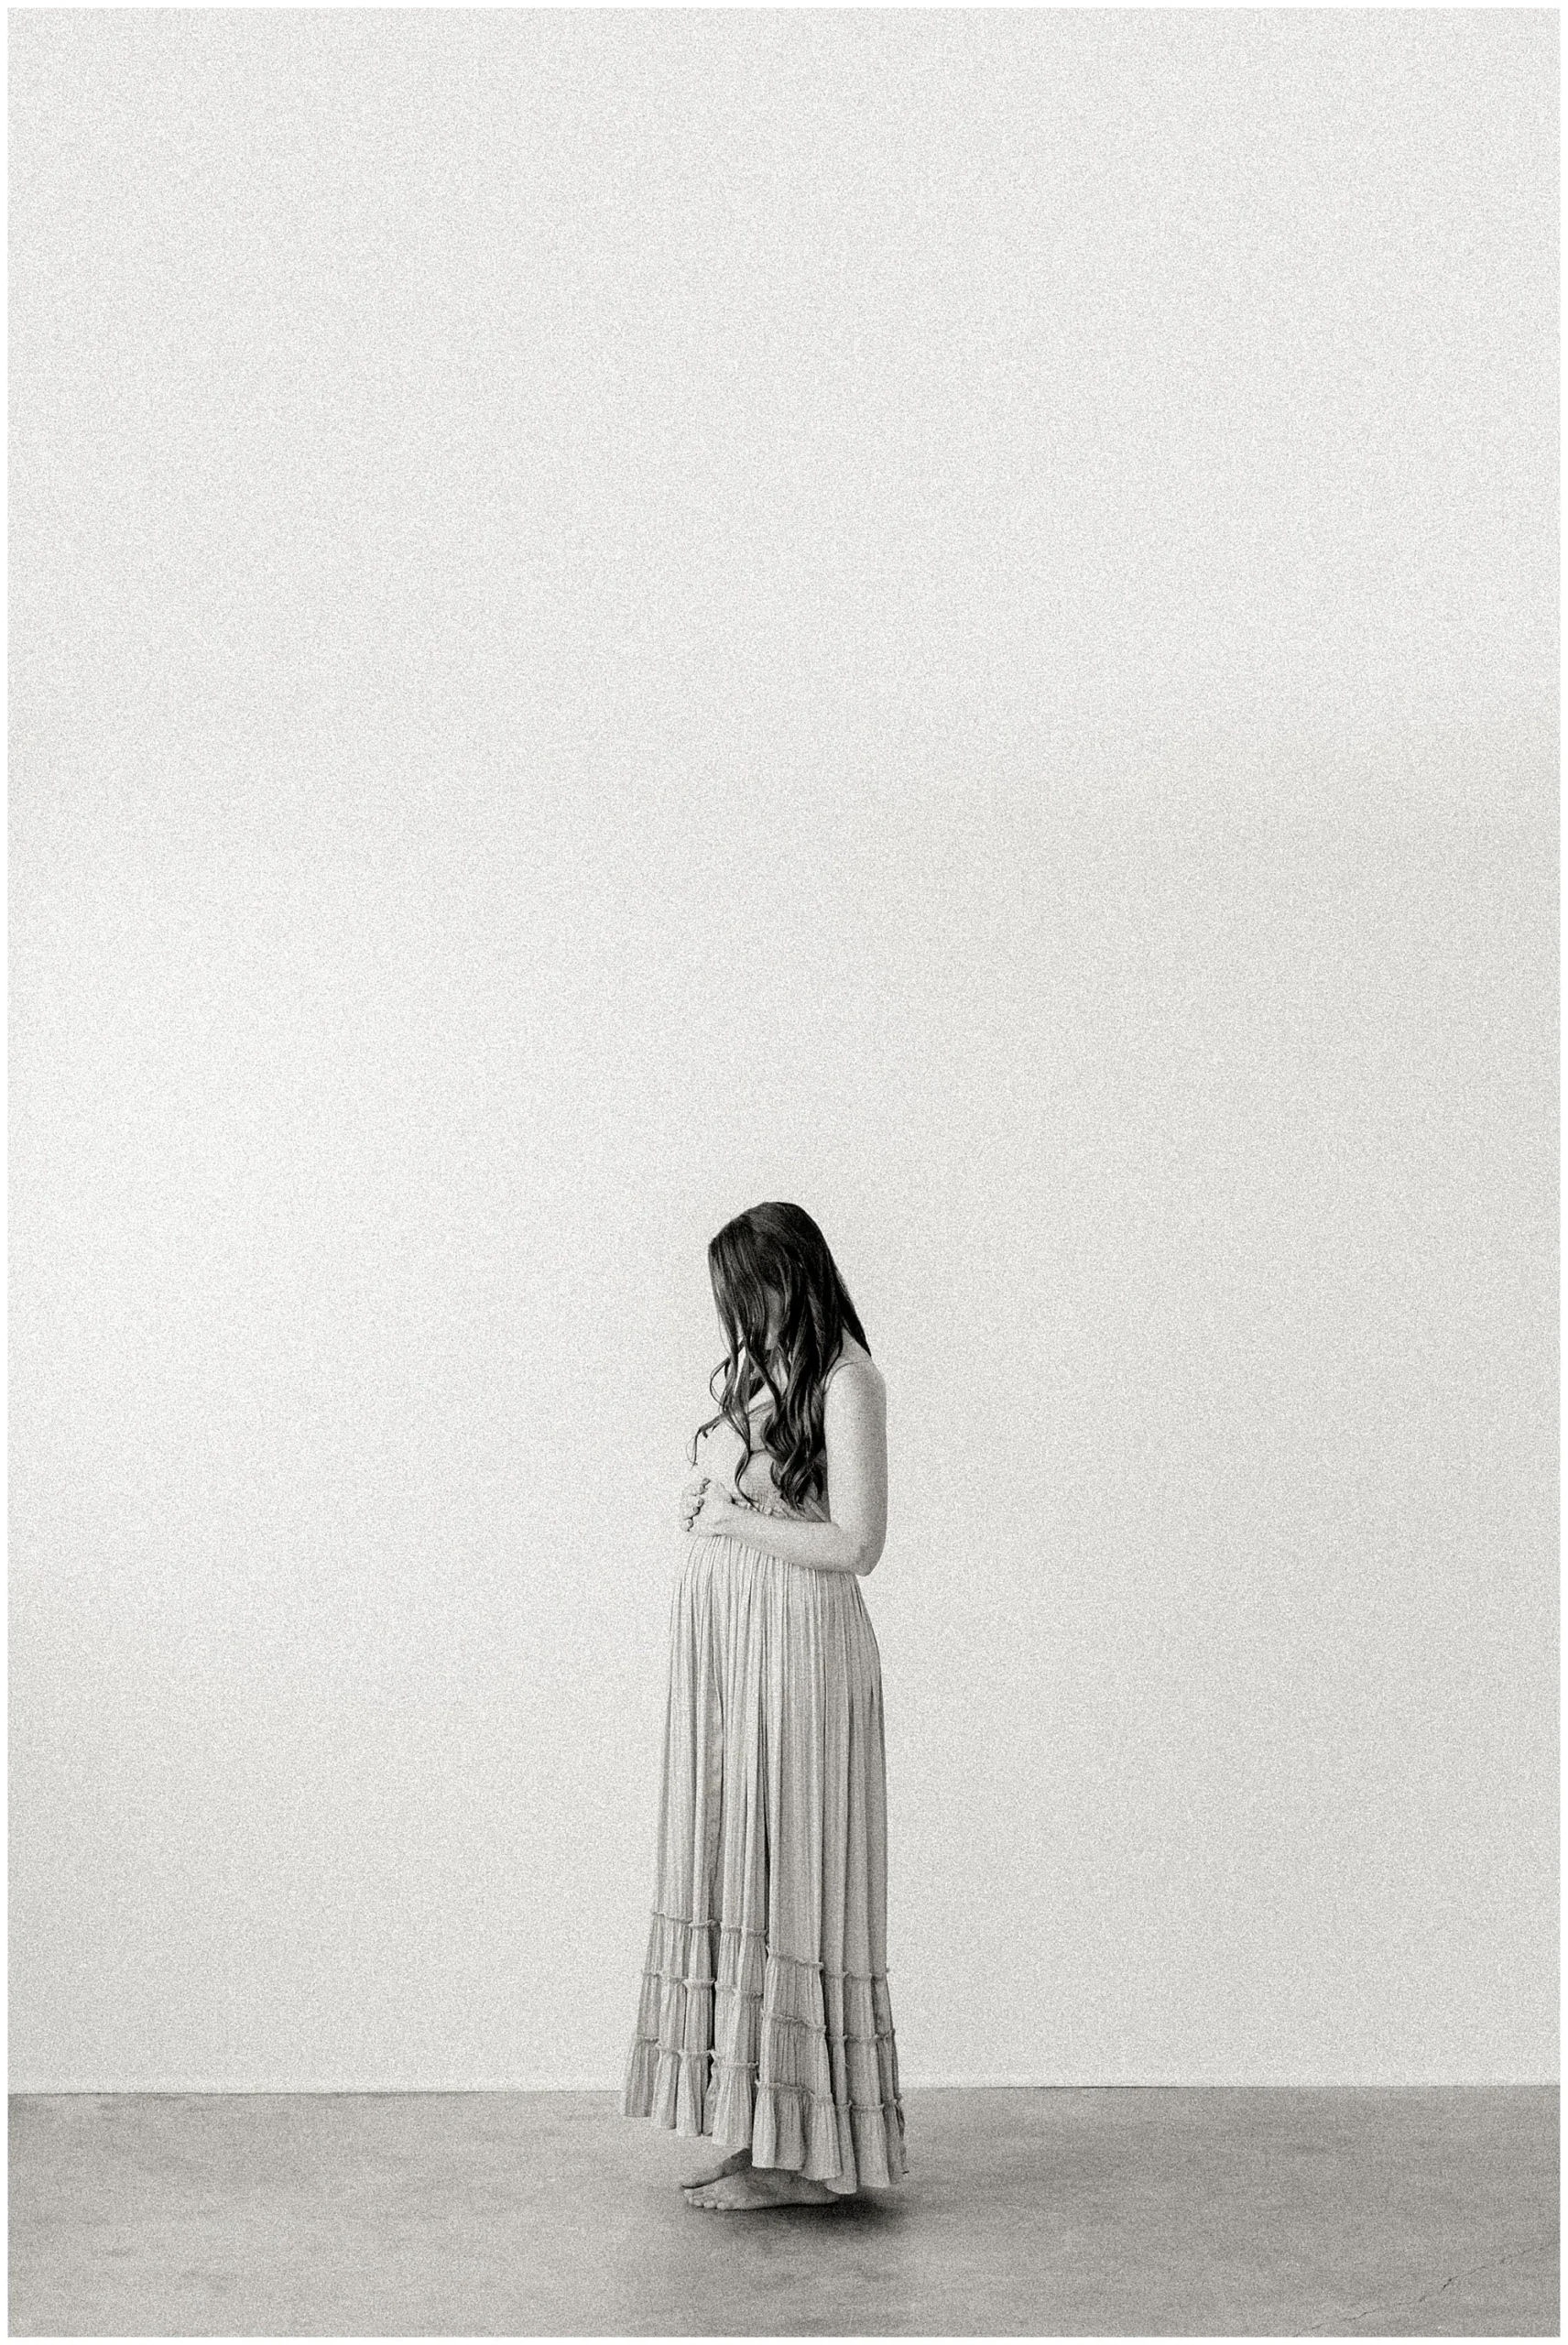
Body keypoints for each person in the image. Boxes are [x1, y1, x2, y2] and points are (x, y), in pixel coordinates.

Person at [619, 1201, 908, 2211]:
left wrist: (733, 1521)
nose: (739, 1313)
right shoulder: (765, 1370)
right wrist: (709, 1508)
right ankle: (761, 2135)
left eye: (751, 1291)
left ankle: (803, 2162)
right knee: (743, 1870)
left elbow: (857, 1543)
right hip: (740, 1650)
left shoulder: (847, 1382)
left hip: (801, 1654)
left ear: (793, 1276)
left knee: (791, 1877)